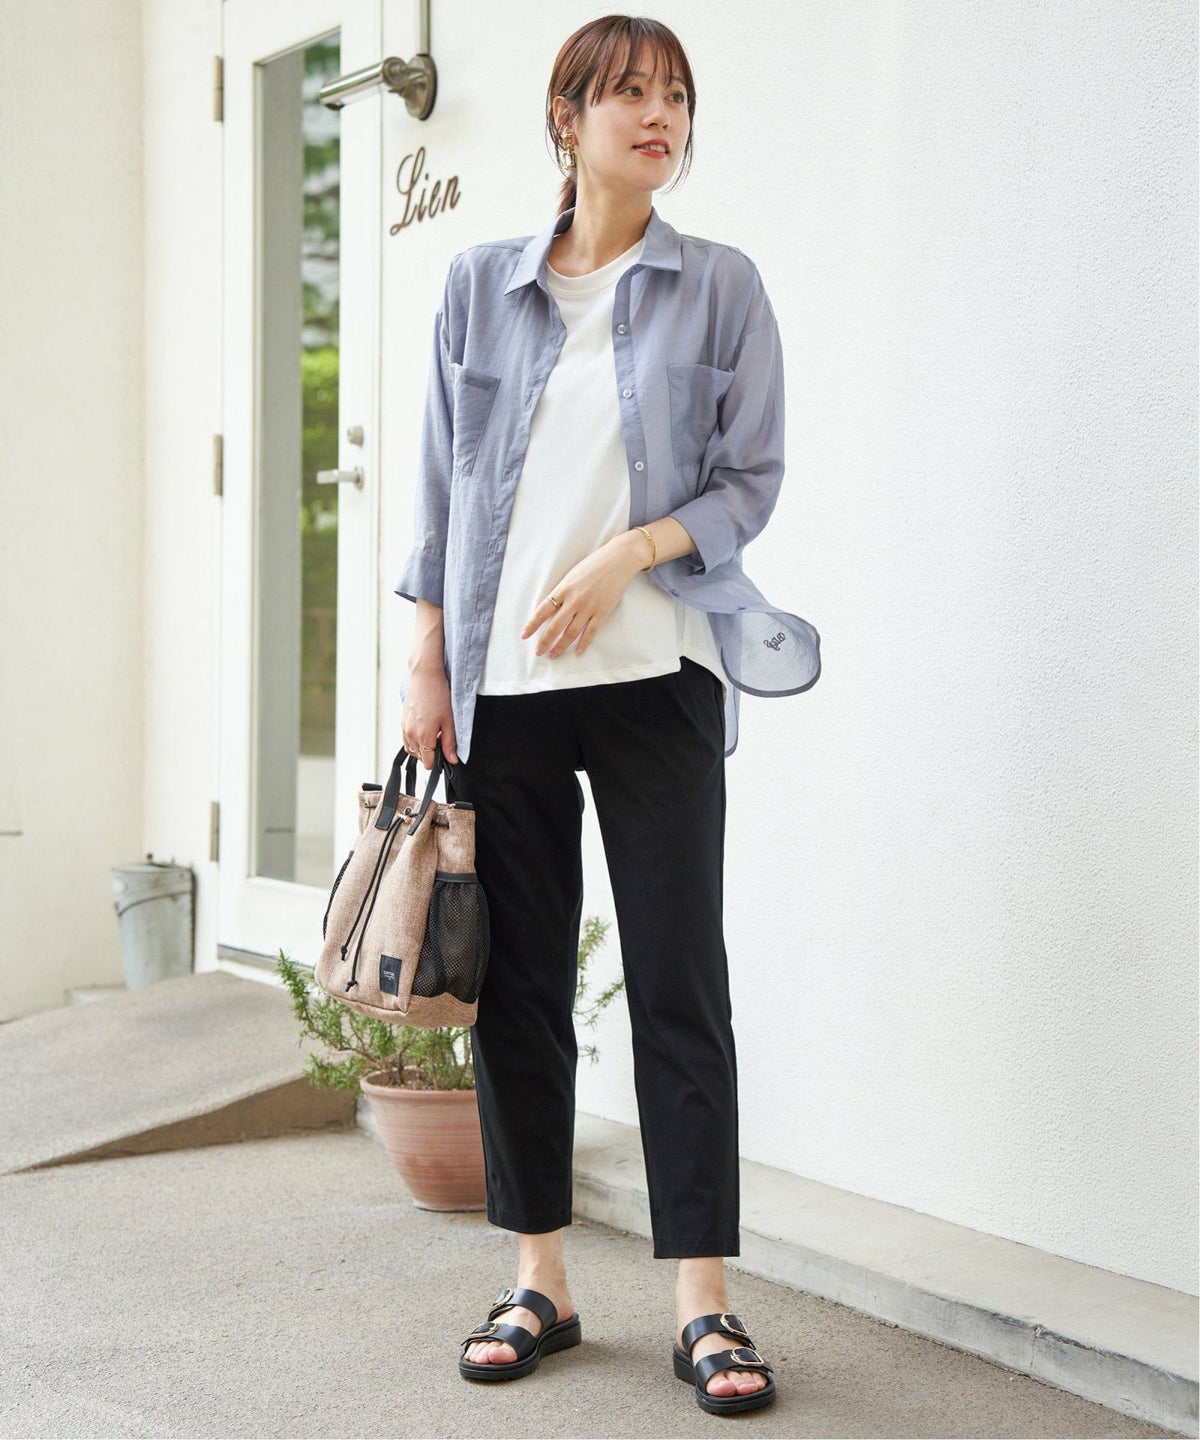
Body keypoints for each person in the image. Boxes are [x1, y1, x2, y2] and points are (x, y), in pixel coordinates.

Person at [395, 14, 819, 1418]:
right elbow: (442, 488)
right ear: (565, 119)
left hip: (656, 678)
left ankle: (702, 1301)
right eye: (630, 92)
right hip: (506, 695)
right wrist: (427, 660)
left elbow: (748, 480)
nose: (660, 116)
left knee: (678, 978)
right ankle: (541, 1280)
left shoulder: (721, 287)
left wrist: (629, 553)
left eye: (677, 96)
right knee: (519, 986)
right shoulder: (479, 286)